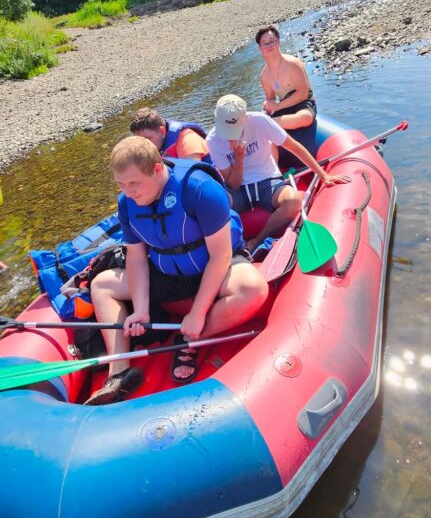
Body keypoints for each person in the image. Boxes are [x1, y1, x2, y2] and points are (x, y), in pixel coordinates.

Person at [85, 136, 268, 404]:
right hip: (167, 273)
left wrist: (197, 313)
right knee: (101, 285)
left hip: (212, 268)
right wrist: (140, 309)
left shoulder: (200, 189)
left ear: (158, 169)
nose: (128, 192)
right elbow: (135, 258)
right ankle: (119, 371)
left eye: (134, 183)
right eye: (121, 184)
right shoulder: (126, 202)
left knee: (253, 288)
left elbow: (221, 255)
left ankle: (188, 339)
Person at [206, 95, 350, 254]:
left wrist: (323, 175)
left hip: (268, 181)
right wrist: (239, 159)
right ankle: (220, 251)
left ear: (245, 119)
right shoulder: (213, 140)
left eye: (233, 130)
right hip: (238, 189)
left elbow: (294, 147)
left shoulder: (260, 122)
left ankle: (257, 241)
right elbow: (233, 184)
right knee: (214, 205)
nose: (229, 137)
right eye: (226, 131)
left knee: (294, 201)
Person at [257, 25, 318, 168]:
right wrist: (269, 104)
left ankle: (270, 124)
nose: (269, 45)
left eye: (272, 41)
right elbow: (271, 98)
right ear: (260, 48)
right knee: (267, 135)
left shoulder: (293, 64)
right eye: (265, 43)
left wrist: (278, 107)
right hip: (284, 106)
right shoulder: (264, 75)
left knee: (305, 118)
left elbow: (303, 93)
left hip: (303, 102)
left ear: (278, 41)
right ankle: (275, 173)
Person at [130, 107, 210, 162]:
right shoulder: (156, 145)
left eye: (147, 139)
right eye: (139, 140)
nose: (143, 145)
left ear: (162, 131)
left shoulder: (187, 140)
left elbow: (196, 177)